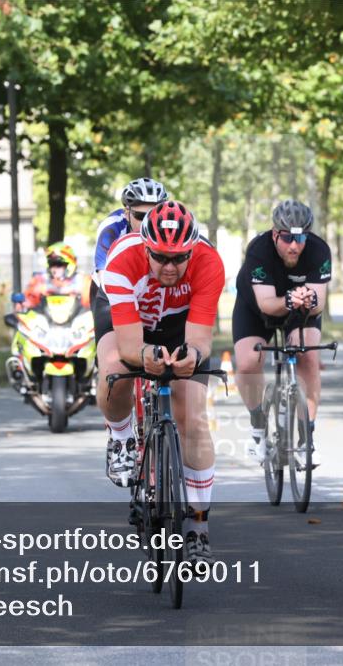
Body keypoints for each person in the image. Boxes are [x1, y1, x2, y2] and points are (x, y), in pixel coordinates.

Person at [95, 201, 224, 564]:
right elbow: (131, 347)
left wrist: (192, 359)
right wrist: (145, 358)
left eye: (179, 258)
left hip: (179, 324)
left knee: (194, 418)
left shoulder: (209, 262)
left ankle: (198, 524)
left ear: (192, 250)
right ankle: (121, 437)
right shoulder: (122, 260)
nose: (170, 267)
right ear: (145, 247)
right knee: (113, 368)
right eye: (161, 258)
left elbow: (199, 340)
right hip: (128, 319)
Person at [232, 200, 330, 467]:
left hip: (299, 311)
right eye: (287, 238)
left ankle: (305, 440)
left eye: (300, 237)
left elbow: (319, 302)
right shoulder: (259, 251)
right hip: (257, 309)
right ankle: (257, 424)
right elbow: (266, 304)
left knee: (307, 357)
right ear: (275, 234)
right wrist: (288, 299)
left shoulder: (319, 250)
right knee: (249, 361)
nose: (294, 245)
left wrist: (307, 300)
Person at [90, 177, 169, 302]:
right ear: (127, 213)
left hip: (148, 286)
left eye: (154, 215)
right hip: (109, 286)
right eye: (140, 216)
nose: (146, 222)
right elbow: (104, 275)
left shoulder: (169, 225)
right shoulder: (111, 228)